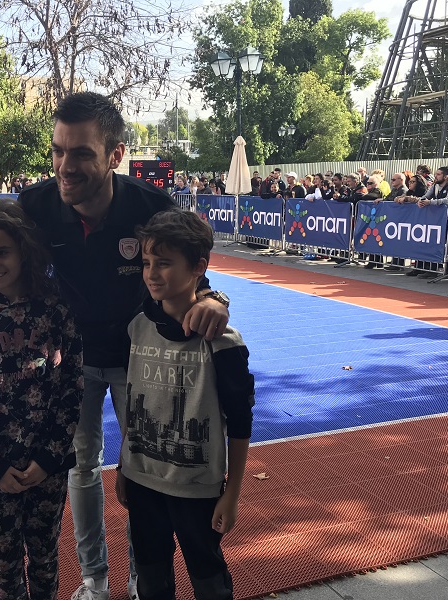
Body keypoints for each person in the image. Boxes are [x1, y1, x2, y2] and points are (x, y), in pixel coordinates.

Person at [0, 92, 230, 600]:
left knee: (146, 473)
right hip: (68, 366)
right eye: (57, 150)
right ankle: (95, 577)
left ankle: (141, 578)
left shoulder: (150, 206)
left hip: (142, 359)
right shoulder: (35, 205)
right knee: (81, 466)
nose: (64, 166)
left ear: (115, 155)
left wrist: (214, 299)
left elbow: (192, 270)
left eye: (80, 153)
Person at [115, 209, 253, 600]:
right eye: (146, 263)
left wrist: (232, 493)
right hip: (142, 480)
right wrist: (125, 467)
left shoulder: (224, 343)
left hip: (197, 488)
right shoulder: (136, 328)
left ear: (198, 268)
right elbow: (133, 403)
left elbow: (240, 421)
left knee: (208, 577)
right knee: (151, 574)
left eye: (164, 263)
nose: (152, 273)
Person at [0, 199, 83, 600]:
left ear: (24, 251)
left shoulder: (56, 310)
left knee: (45, 559)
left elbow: (71, 388)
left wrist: (48, 458)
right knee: (5, 568)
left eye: (2, 252)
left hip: (47, 466)